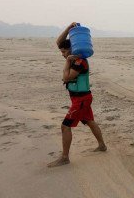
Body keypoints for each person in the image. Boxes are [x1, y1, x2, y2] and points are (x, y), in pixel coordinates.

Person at [48, 22, 107, 168]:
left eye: (64, 52)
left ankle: (65, 157)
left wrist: (67, 62)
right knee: (89, 121)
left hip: (81, 99)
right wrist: (69, 28)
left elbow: (66, 78)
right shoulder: (72, 57)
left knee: (65, 126)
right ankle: (102, 145)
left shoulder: (79, 62)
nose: (62, 54)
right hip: (81, 98)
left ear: (70, 49)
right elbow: (58, 42)